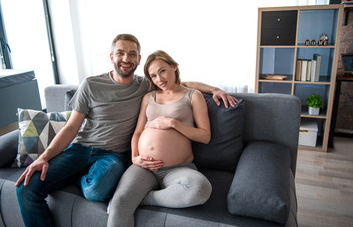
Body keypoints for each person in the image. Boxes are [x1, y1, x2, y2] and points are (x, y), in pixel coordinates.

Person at [15, 34, 237, 227]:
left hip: (130, 159)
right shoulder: (98, 85)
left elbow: (179, 85)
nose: (126, 58)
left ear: (138, 60)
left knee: (99, 192)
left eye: (132, 54)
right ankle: (82, 177)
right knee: (27, 189)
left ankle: (130, 193)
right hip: (94, 151)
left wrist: (214, 89)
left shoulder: (147, 86)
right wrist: (43, 158)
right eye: (120, 53)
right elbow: (72, 126)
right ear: (112, 56)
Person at [107, 50, 214, 227]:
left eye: (162, 71)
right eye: (153, 76)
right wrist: (135, 157)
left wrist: (173, 123)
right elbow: (137, 133)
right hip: (144, 167)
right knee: (119, 205)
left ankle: (146, 198)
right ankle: (134, 198)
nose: (159, 79)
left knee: (200, 189)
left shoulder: (193, 96)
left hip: (178, 169)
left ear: (174, 67)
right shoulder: (148, 97)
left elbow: (205, 136)